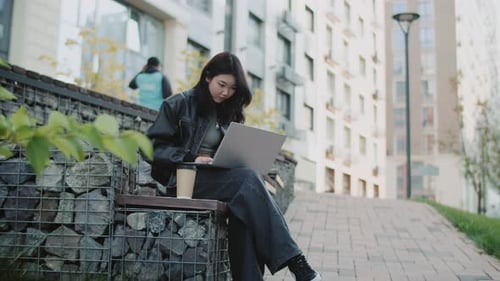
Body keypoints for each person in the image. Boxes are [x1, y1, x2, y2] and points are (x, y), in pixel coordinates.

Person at [146, 51, 321, 281]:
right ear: (207, 76)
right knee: (247, 184)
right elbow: (151, 148)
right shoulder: (178, 104)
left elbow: (230, 155)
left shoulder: (229, 112)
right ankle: (297, 263)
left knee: (246, 208)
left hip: (218, 180)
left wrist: (253, 161)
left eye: (231, 88)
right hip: (183, 180)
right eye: (221, 84)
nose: (226, 92)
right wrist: (190, 157)